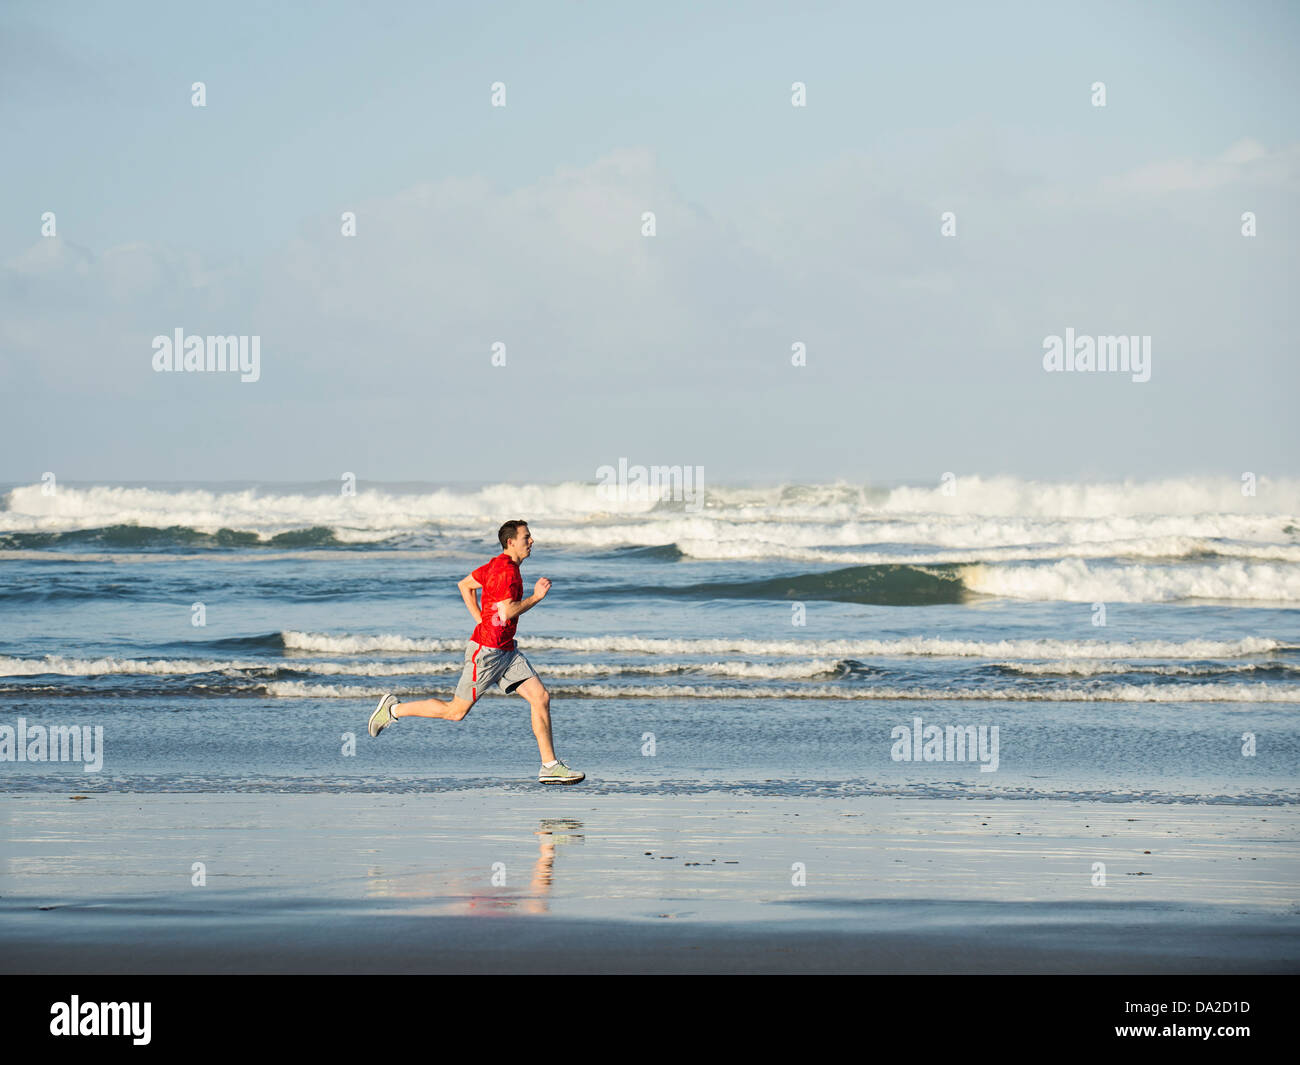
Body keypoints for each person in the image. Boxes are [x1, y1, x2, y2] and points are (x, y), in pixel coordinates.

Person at [367, 519, 584, 784]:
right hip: (487, 653)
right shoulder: (507, 572)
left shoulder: (494, 565)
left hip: (506, 650)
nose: (531, 541)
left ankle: (549, 766)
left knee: (540, 697)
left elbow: (465, 585)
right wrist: (537, 597)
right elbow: (507, 612)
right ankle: (393, 710)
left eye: (530, 536)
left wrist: (480, 620)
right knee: (455, 712)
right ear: (511, 542)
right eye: (526, 537)